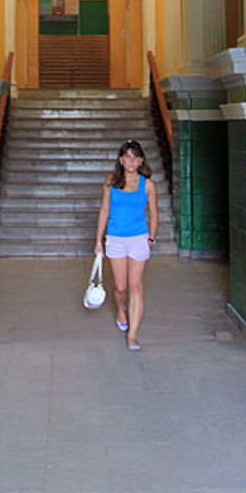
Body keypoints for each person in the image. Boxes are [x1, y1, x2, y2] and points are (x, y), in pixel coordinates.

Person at [94, 139, 159, 351]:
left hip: (139, 238)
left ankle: (133, 334)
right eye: (127, 157)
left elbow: (154, 214)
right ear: (121, 160)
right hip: (115, 239)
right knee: (120, 287)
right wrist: (98, 241)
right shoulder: (110, 182)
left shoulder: (148, 185)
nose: (131, 161)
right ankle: (120, 308)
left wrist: (150, 239)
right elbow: (104, 211)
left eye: (135, 157)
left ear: (141, 161)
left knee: (135, 286)